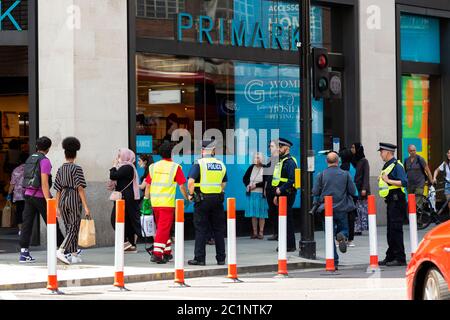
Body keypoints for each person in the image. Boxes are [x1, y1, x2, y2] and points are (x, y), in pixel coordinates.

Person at [19, 137, 64, 263]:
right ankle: (64, 249)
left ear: (37, 146)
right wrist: (49, 200)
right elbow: (44, 183)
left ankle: (24, 253)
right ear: (48, 148)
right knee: (52, 222)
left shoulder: (30, 158)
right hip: (39, 196)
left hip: (28, 194)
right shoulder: (44, 161)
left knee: (26, 224)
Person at [143, 142, 188, 264]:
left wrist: (146, 201)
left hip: (155, 203)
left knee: (163, 228)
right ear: (172, 153)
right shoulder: (175, 167)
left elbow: (148, 186)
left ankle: (167, 253)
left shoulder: (153, 167)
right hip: (167, 203)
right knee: (163, 229)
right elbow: (182, 186)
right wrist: (187, 198)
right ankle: (157, 254)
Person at [312, 152, 357, 269]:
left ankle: (334, 261)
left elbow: (315, 192)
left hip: (326, 210)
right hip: (342, 208)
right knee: (344, 228)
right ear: (338, 161)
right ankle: (342, 235)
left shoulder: (321, 175)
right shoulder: (345, 174)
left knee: (329, 236)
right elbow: (353, 191)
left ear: (327, 161)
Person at [187, 140, 227, 266]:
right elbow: (224, 183)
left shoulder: (199, 163)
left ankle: (200, 258)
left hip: (202, 200)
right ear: (213, 151)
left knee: (201, 229)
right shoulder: (221, 164)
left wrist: (191, 195)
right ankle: (221, 258)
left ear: (202, 151)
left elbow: (190, 182)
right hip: (217, 200)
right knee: (218, 230)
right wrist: (217, 191)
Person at [54, 137, 90, 265]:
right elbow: (80, 188)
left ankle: (74, 254)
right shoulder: (77, 168)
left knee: (69, 226)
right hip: (74, 198)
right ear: (75, 155)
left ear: (65, 154)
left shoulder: (60, 169)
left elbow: (57, 189)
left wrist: (56, 206)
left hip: (63, 198)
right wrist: (86, 206)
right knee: (74, 227)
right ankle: (62, 250)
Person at [378, 142, 408, 267]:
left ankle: (400, 258)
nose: (380, 154)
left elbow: (404, 182)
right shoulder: (387, 166)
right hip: (391, 201)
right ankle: (390, 256)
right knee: (390, 230)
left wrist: (388, 180)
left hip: (397, 201)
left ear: (388, 152)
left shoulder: (397, 165)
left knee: (396, 229)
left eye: (381, 152)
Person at [109, 148, 142, 254]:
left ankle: (125, 242)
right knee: (127, 221)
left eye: (120, 156)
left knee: (114, 219)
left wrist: (113, 166)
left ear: (125, 156)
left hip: (125, 198)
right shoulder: (127, 167)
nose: (118, 158)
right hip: (125, 197)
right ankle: (130, 245)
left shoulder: (127, 167)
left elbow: (113, 175)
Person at [271, 138, 298, 252]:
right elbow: (278, 179)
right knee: (283, 219)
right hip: (281, 194)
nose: (278, 149)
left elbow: (292, 180)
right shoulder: (281, 161)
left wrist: (281, 190)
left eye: (280, 147)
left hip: (287, 193)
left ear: (286, 148)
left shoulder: (290, 162)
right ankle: (285, 244)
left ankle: (290, 245)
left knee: (287, 220)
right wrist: (276, 195)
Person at [243, 152, 268, 239]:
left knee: (261, 214)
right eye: (255, 157)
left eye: (258, 158)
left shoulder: (265, 168)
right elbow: (245, 178)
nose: (256, 159)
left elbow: (266, 182)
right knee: (253, 214)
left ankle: (261, 232)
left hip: (261, 194)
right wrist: (248, 185)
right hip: (252, 194)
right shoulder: (251, 167)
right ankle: (254, 232)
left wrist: (256, 185)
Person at [404, 144, 433, 211]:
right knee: (411, 202)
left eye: (414, 150)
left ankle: (418, 218)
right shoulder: (406, 160)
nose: (413, 152)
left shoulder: (420, 159)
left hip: (419, 184)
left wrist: (431, 181)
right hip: (410, 185)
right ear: (408, 151)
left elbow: (427, 170)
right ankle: (413, 218)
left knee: (416, 203)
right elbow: (405, 172)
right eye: (411, 151)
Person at [339, 148, 358, 248]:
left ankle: (341, 238)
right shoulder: (353, 167)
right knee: (351, 217)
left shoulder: (340, 167)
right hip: (353, 194)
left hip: (342, 194)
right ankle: (350, 239)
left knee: (341, 217)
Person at [351, 143, 370, 238]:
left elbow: (366, 175)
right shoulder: (354, 160)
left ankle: (360, 228)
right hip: (355, 188)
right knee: (356, 209)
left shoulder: (364, 161)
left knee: (361, 209)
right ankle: (356, 227)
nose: (352, 149)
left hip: (361, 188)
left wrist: (364, 188)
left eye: (353, 147)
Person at [7, 152, 29, 235]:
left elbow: (12, 184)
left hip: (18, 195)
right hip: (29, 194)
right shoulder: (30, 168)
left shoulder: (16, 170)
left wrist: (9, 195)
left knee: (19, 212)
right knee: (28, 212)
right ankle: (27, 229)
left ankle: (20, 230)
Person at [264, 140, 279, 241]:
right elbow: (266, 176)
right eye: (270, 146)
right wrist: (265, 188)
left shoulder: (279, 160)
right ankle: (275, 232)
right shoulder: (269, 160)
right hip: (269, 189)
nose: (270, 148)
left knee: (278, 212)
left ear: (278, 147)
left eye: (272, 146)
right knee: (272, 212)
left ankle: (279, 233)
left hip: (275, 189)